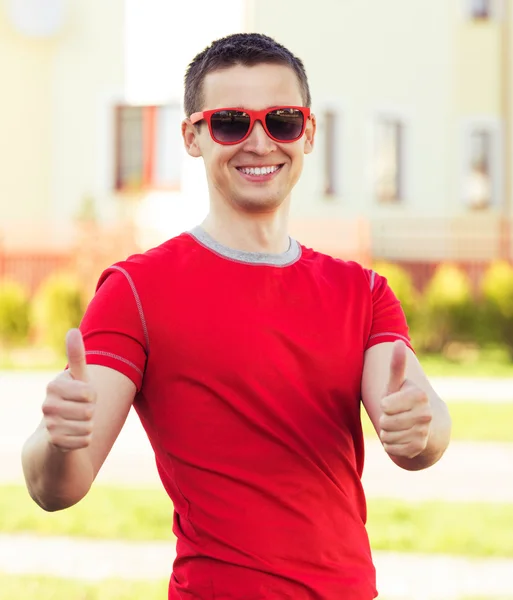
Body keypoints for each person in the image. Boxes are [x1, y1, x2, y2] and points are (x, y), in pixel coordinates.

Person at [21, 33, 451, 600]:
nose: (257, 141)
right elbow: (56, 487)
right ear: (193, 136)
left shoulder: (363, 291)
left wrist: (420, 426)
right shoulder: (137, 289)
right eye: (229, 122)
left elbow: (417, 437)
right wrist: (59, 438)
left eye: (281, 121)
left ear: (309, 133)